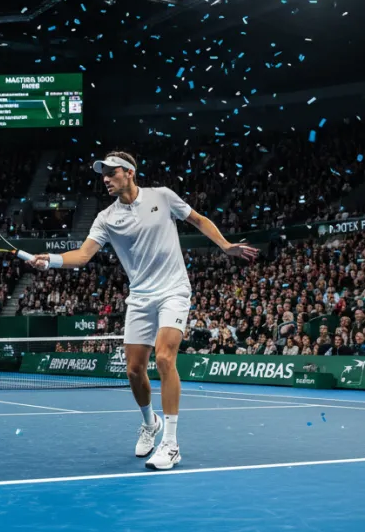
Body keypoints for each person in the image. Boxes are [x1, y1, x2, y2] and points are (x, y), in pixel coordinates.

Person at [30, 151, 258, 470]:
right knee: (134, 371)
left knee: (164, 358)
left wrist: (224, 245)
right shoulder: (106, 218)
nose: (105, 179)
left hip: (173, 291)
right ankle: (150, 424)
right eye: (103, 174)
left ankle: (171, 443)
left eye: (111, 173)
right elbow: (82, 256)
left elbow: (198, 219)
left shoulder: (162, 197)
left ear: (129, 172)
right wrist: (50, 260)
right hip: (139, 297)